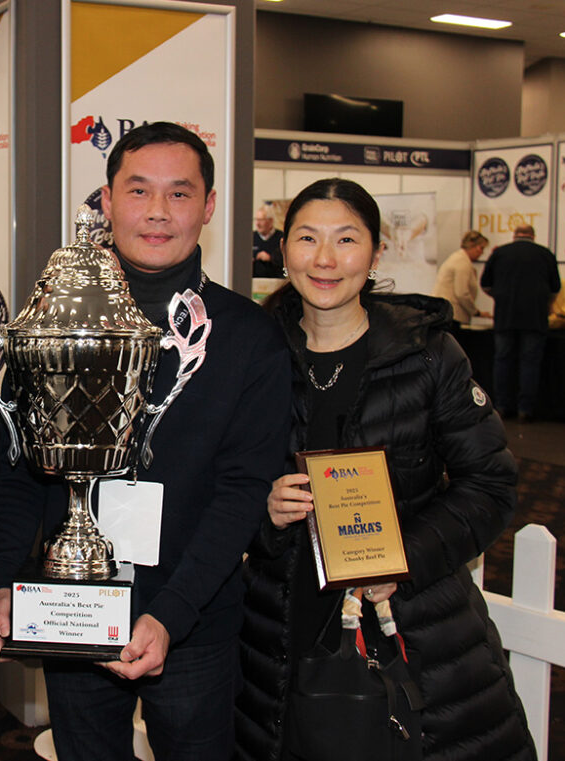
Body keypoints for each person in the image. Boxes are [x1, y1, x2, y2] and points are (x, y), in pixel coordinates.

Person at [0, 122, 292, 761]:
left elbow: (241, 494)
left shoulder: (247, 337)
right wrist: (1, 579)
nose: (156, 212)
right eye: (138, 190)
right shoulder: (52, 328)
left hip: (193, 620)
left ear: (208, 206)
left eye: (179, 194)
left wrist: (171, 614)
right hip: (74, 604)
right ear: (106, 200)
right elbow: (20, 469)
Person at [236, 178, 534, 761]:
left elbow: (491, 485)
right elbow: (222, 486)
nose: (325, 259)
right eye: (307, 238)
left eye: (346, 239)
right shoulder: (255, 354)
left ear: (375, 253)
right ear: (284, 250)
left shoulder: (425, 354)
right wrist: (263, 512)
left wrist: (406, 558)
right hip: (283, 630)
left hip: (414, 624)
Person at [480, 224, 560, 422]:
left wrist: (500, 297)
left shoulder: (500, 253)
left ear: (515, 235)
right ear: (533, 236)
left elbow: (486, 284)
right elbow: (555, 288)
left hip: (505, 317)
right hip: (535, 318)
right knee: (530, 363)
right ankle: (526, 409)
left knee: (502, 361)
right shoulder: (546, 254)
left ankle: (501, 406)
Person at [432, 230, 490, 326]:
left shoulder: (458, 258)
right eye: (481, 248)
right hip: (453, 315)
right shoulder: (462, 262)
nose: (481, 253)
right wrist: (475, 312)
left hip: (446, 313)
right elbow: (462, 293)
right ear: (471, 245)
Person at [252, 205, 284, 279]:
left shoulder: (281, 238)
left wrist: (270, 258)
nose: (257, 224)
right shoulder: (251, 237)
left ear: (270, 221)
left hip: (275, 281)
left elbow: (285, 262)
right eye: (256, 220)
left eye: (261, 220)